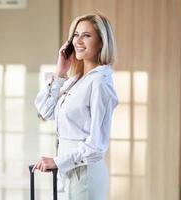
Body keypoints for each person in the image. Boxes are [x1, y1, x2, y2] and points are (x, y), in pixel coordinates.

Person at [33, 12, 118, 200]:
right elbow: (44, 110)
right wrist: (60, 71)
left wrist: (57, 162)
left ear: (102, 42)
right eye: (76, 35)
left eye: (87, 35)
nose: (78, 41)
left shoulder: (100, 83)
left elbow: (96, 146)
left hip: (84, 174)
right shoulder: (76, 80)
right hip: (68, 171)